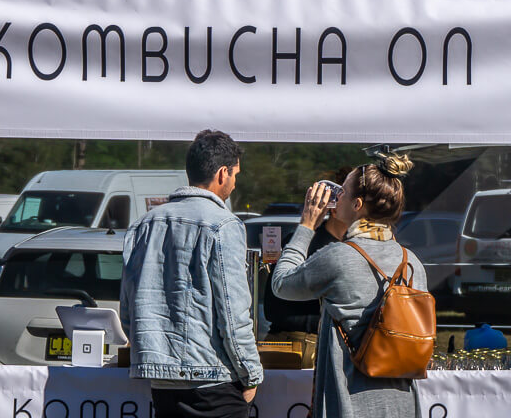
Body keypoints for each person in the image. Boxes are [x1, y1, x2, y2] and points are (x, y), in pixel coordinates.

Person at [272, 153, 426, 418]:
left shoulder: (339, 256)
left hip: (349, 404)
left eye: (341, 192)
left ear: (356, 205)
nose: (335, 198)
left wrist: (307, 225)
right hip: (403, 404)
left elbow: (281, 284)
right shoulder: (412, 263)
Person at [121, 130, 263, 418]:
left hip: (162, 382)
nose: (235, 183)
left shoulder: (144, 225)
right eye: (235, 175)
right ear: (222, 173)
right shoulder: (224, 224)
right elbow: (234, 311)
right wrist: (251, 372)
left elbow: (128, 308)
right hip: (213, 379)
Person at [262, 169, 352, 368]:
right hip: (297, 345)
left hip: (330, 345)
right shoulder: (302, 244)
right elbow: (274, 304)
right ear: (334, 205)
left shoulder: (356, 248)